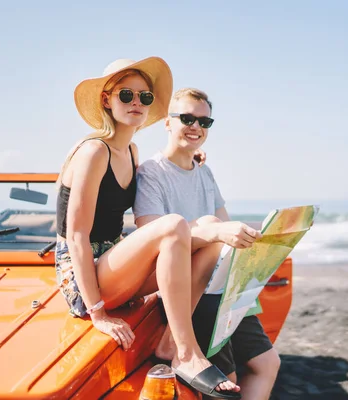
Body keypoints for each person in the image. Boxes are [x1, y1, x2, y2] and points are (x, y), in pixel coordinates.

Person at [55, 59, 239, 399]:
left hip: (113, 261)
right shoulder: (94, 151)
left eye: (145, 96)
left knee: (211, 233)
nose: (136, 102)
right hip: (83, 279)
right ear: (107, 100)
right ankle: (187, 353)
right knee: (174, 226)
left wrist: (193, 157)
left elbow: (168, 166)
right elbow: (76, 236)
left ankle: (171, 340)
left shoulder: (131, 150)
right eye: (127, 95)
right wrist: (98, 314)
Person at [134, 88, 281, 400]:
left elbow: (224, 225)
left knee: (267, 363)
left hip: (219, 285)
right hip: (187, 288)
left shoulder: (205, 171)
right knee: (226, 383)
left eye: (204, 121)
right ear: (167, 122)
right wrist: (215, 232)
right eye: (186, 118)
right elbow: (151, 238)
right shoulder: (151, 172)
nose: (195, 126)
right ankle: (175, 340)